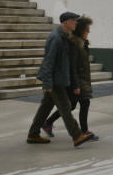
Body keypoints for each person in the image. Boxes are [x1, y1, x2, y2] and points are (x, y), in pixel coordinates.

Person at [26, 12, 92, 147]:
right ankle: (77, 135)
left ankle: (33, 134)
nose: (76, 23)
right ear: (66, 22)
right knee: (66, 106)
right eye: (74, 20)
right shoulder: (56, 38)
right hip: (54, 81)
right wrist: (48, 83)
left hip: (58, 79)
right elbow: (48, 62)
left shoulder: (64, 36)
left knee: (45, 108)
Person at [43, 15, 97, 141]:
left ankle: (48, 123)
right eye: (87, 29)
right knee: (84, 103)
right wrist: (76, 85)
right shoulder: (74, 44)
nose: (89, 31)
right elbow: (72, 66)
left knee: (71, 106)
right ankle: (85, 131)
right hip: (77, 81)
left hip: (81, 80)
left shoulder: (82, 44)